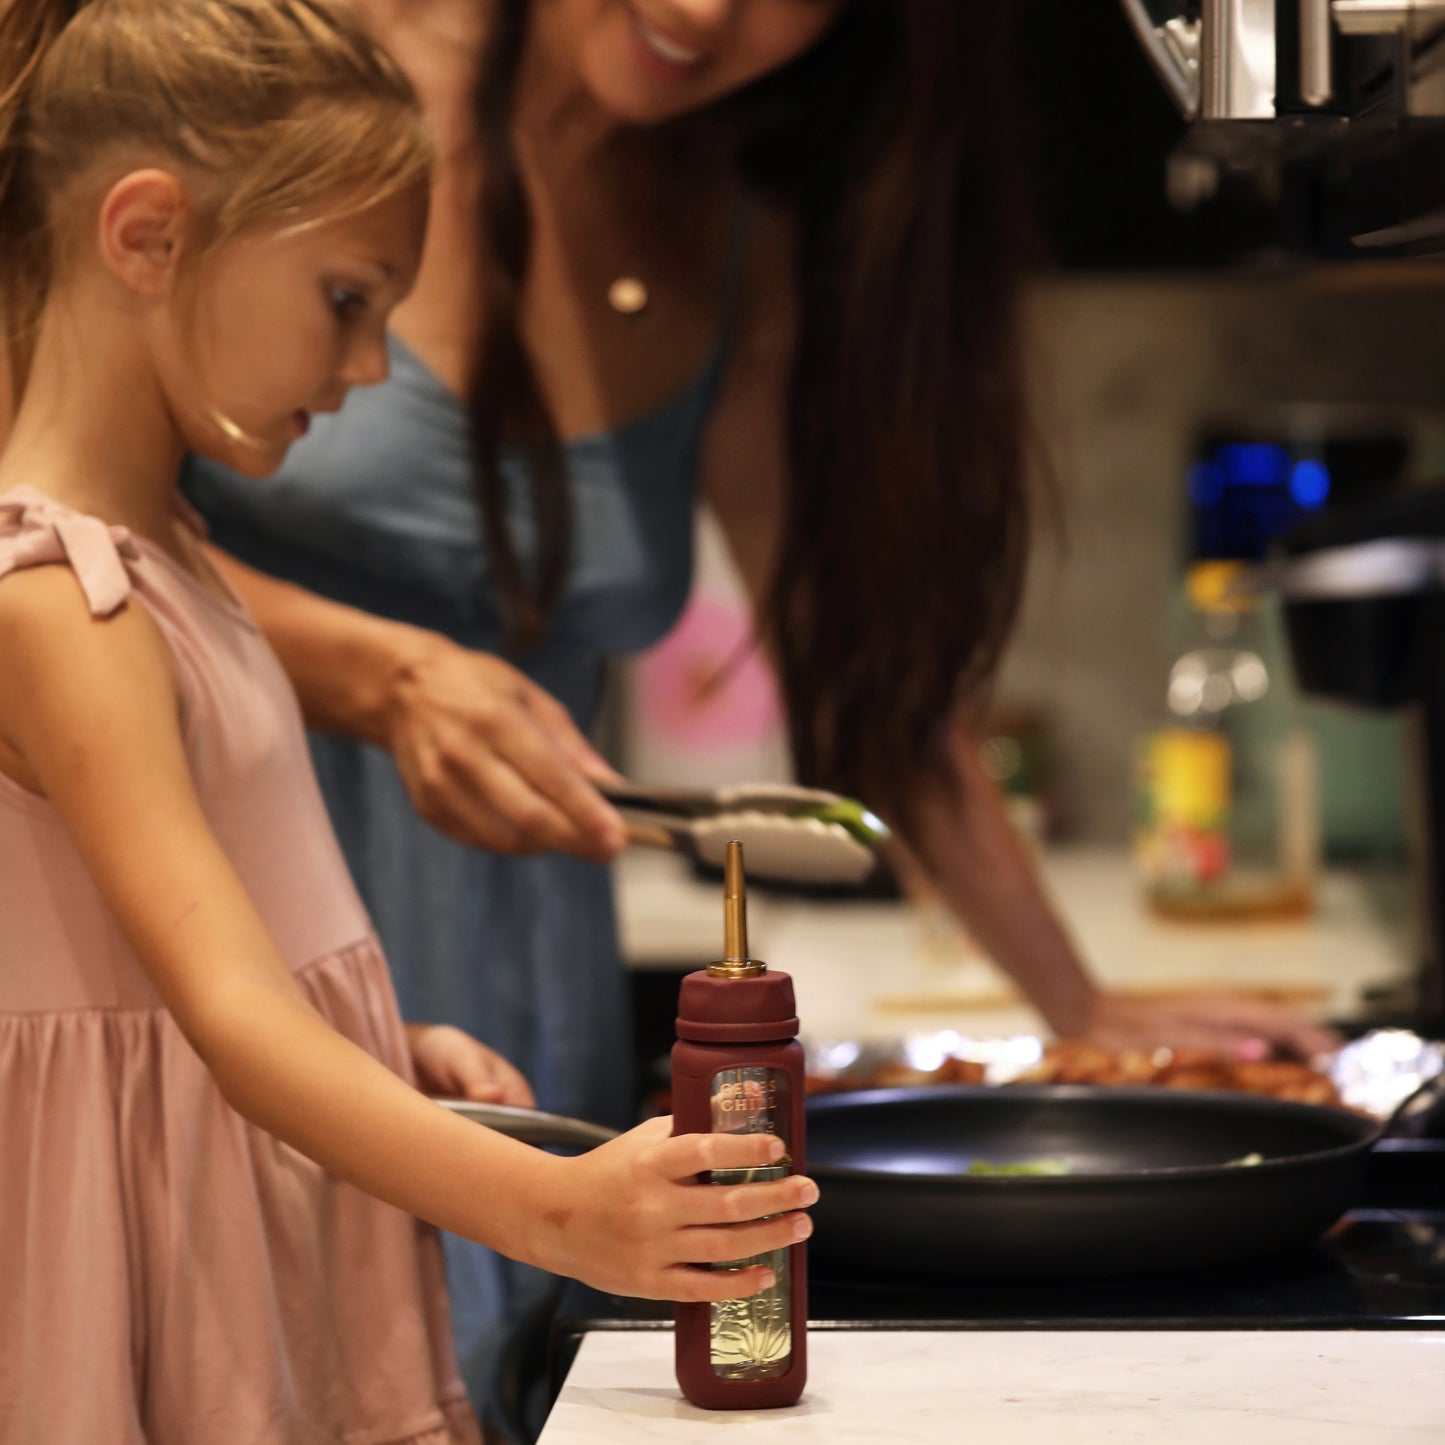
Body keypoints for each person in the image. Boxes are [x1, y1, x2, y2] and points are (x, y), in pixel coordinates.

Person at [178, 0, 1341, 1412]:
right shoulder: (274, 65)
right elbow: (40, 523)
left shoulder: (727, 244)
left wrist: (1080, 1001)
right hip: (215, 943)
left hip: (508, 998)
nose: (703, 10)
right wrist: (379, 671)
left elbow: (866, 685)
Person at [0, 2, 816, 1440]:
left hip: (244, 1220)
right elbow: (232, 1022)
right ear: (147, 235)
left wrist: (377, 1036)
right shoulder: (65, 607)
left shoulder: (169, 556)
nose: (370, 366)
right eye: (345, 298)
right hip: (159, 1266)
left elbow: (185, 981)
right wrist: (558, 1211)